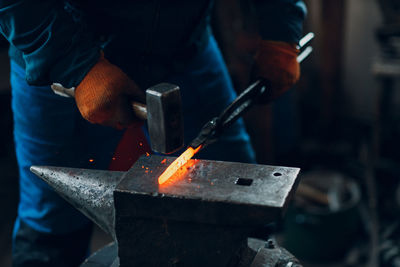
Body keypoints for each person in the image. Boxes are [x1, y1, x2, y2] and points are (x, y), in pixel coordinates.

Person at [0, 1, 306, 266]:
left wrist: (281, 30)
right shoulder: (67, 56)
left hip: (184, 49)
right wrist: (76, 65)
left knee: (241, 199)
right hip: (60, 48)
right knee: (51, 222)